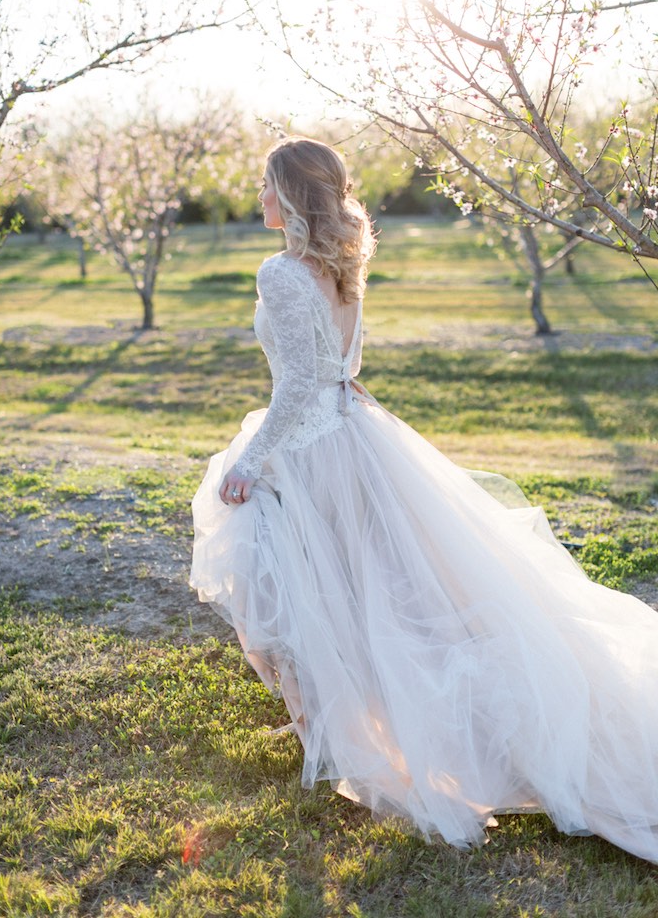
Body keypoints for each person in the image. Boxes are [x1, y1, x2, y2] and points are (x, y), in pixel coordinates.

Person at [191, 136, 658, 861]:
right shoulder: (342, 261)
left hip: (313, 451)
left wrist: (248, 463)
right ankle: (333, 725)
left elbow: (298, 383)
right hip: (352, 435)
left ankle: (335, 730)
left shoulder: (282, 272)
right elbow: (343, 365)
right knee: (379, 588)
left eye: (265, 186)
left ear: (291, 195)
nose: (257, 198)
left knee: (315, 586)